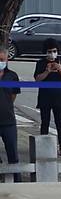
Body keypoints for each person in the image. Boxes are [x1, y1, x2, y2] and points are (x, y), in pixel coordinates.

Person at [34, 39, 61, 157]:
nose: (52, 54)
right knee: (45, 122)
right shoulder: (40, 63)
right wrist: (47, 71)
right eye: (49, 51)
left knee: (59, 122)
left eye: (54, 51)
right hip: (45, 97)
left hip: (59, 97)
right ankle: (44, 147)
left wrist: (59, 68)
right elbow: (37, 79)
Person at [0, 44, 21, 182]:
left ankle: (17, 181)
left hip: (8, 121)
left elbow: (13, 95)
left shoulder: (12, 76)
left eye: (2, 59)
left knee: (13, 153)